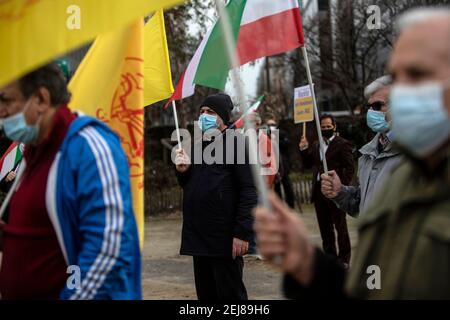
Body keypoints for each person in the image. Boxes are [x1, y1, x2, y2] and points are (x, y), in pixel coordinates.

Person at [254, 8, 450, 299]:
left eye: (418, 73)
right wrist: (307, 264)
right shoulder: (405, 167)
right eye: (398, 76)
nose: (402, 91)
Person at [0, 63, 141, 300]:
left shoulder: (90, 147)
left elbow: (108, 252)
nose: (1, 111)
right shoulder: (33, 153)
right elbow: (43, 235)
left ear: (41, 99)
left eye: (5, 99)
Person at [175, 93, 257, 301]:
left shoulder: (236, 144)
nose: (204, 116)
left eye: (210, 112)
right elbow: (191, 186)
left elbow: (248, 190)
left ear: (223, 117)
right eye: (201, 112)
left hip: (224, 238)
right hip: (200, 237)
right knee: (206, 295)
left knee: (230, 296)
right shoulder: (197, 146)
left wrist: (242, 233)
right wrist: (183, 171)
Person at [321, 76, 403, 216]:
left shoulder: (420, 152)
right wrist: (340, 192)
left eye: (377, 105)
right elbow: (362, 204)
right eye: (369, 107)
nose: (371, 112)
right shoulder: (369, 153)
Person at [299, 114, 354, 267]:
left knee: (340, 227)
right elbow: (309, 164)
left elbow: (350, 168)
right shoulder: (317, 145)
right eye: (322, 127)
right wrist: (303, 150)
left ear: (334, 127)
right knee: (325, 229)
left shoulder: (342, 144)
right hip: (318, 192)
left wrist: (341, 187)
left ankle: (344, 259)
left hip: (335, 192)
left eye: (328, 127)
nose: (325, 129)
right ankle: (330, 259)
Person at [268, 118, 295, 208]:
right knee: (277, 187)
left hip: (283, 165)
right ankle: (279, 207)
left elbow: (287, 144)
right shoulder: (266, 134)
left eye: (272, 124)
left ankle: (291, 206)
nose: (271, 126)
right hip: (273, 165)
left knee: (287, 186)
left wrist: (276, 139)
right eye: (269, 125)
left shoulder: (281, 133)